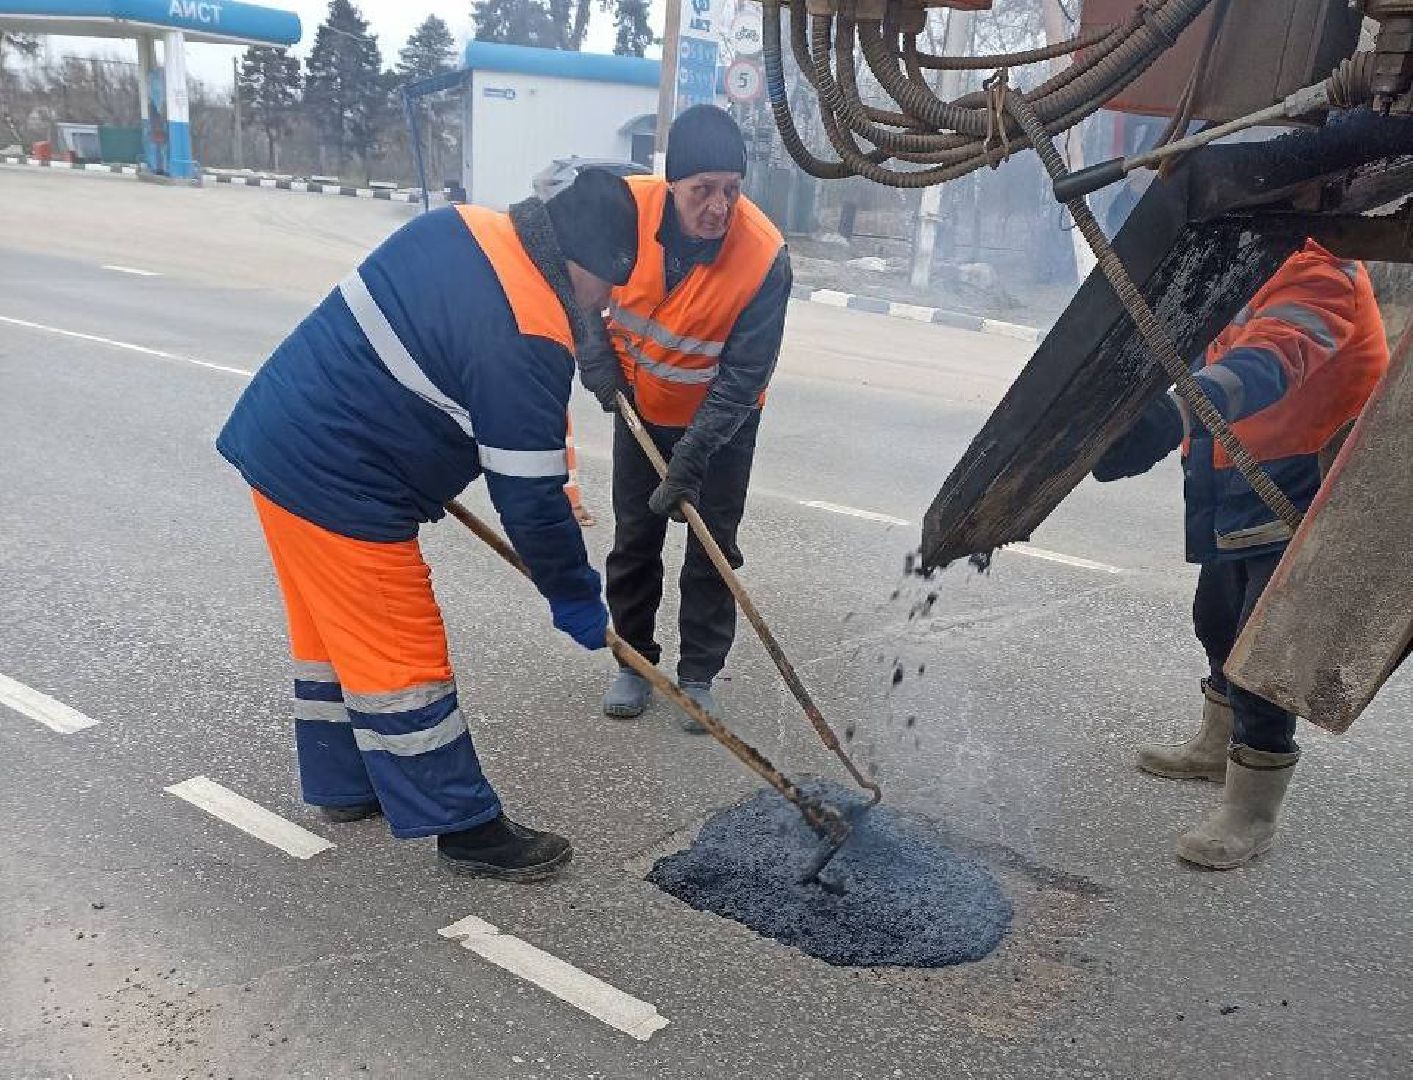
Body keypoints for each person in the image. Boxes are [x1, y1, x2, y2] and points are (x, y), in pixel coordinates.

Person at [216, 170, 639, 882]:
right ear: (579, 266)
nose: (607, 302)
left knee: (331, 639)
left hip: (279, 439)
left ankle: (344, 784)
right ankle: (464, 826)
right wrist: (573, 593)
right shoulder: (530, 330)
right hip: (337, 480)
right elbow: (530, 497)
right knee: (400, 655)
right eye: (607, 284)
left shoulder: (463, 226)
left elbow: (420, 351)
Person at [1092, 240, 1388, 869]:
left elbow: (1272, 359)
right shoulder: (1243, 254)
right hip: (1234, 470)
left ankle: (1251, 809)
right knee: (1218, 621)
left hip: (1296, 480)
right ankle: (1215, 744)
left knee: (1265, 651)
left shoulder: (1322, 266)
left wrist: (1175, 414)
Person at [590, 105, 792, 729]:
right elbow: (571, 287)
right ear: (671, 183)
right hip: (640, 404)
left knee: (712, 546)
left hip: (724, 423)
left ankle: (698, 673)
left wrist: (693, 457)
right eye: (703, 190)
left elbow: (740, 380)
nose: (719, 206)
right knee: (636, 537)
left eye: (731, 190)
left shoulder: (763, 258)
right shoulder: (618, 212)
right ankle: (635, 661)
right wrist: (593, 355)